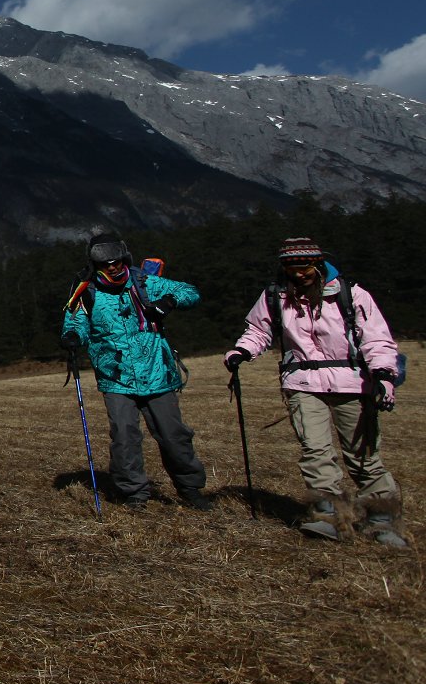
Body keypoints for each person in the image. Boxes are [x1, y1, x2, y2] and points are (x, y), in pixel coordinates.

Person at [225, 237, 406, 547]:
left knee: (362, 455)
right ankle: (328, 517)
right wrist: (242, 351)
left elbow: (376, 340)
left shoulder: (352, 295)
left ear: (319, 263)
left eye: (305, 266)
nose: (299, 274)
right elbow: (259, 330)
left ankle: (381, 519)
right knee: (315, 452)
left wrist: (384, 376)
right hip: (302, 383)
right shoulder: (275, 296)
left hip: (353, 382)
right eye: (290, 267)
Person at [60, 232, 214, 512]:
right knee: (124, 436)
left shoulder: (145, 282)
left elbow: (190, 292)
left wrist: (168, 302)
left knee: (173, 435)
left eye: (117, 261)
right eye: (105, 263)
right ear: (95, 264)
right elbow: (75, 321)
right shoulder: (86, 291)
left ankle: (190, 488)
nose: (113, 267)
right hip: (115, 376)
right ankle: (134, 493)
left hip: (158, 373)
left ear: (124, 258)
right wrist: (72, 336)